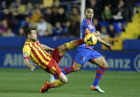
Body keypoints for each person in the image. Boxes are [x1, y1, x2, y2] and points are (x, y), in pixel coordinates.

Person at [50, 8, 112, 93]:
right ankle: (55, 75)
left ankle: (95, 85)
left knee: (104, 64)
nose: (90, 14)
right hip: (84, 48)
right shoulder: (85, 22)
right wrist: (96, 33)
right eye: (88, 12)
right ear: (85, 14)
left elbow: (94, 37)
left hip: (91, 49)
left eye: (92, 13)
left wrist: (105, 43)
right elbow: (89, 36)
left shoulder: (92, 25)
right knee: (76, 68)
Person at [22, 28, 86, 93]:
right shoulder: (27, 47)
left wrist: (51, 49)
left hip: (50, 56)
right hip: (48, 65)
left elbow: (41, 46)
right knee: (65, 80)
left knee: (64, 47)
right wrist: (31, 66)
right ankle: (47, 86)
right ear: (28, 35)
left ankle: (84, 40)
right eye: (34, 33)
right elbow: (25, 60)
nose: (36, 35)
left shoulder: (35, 41)